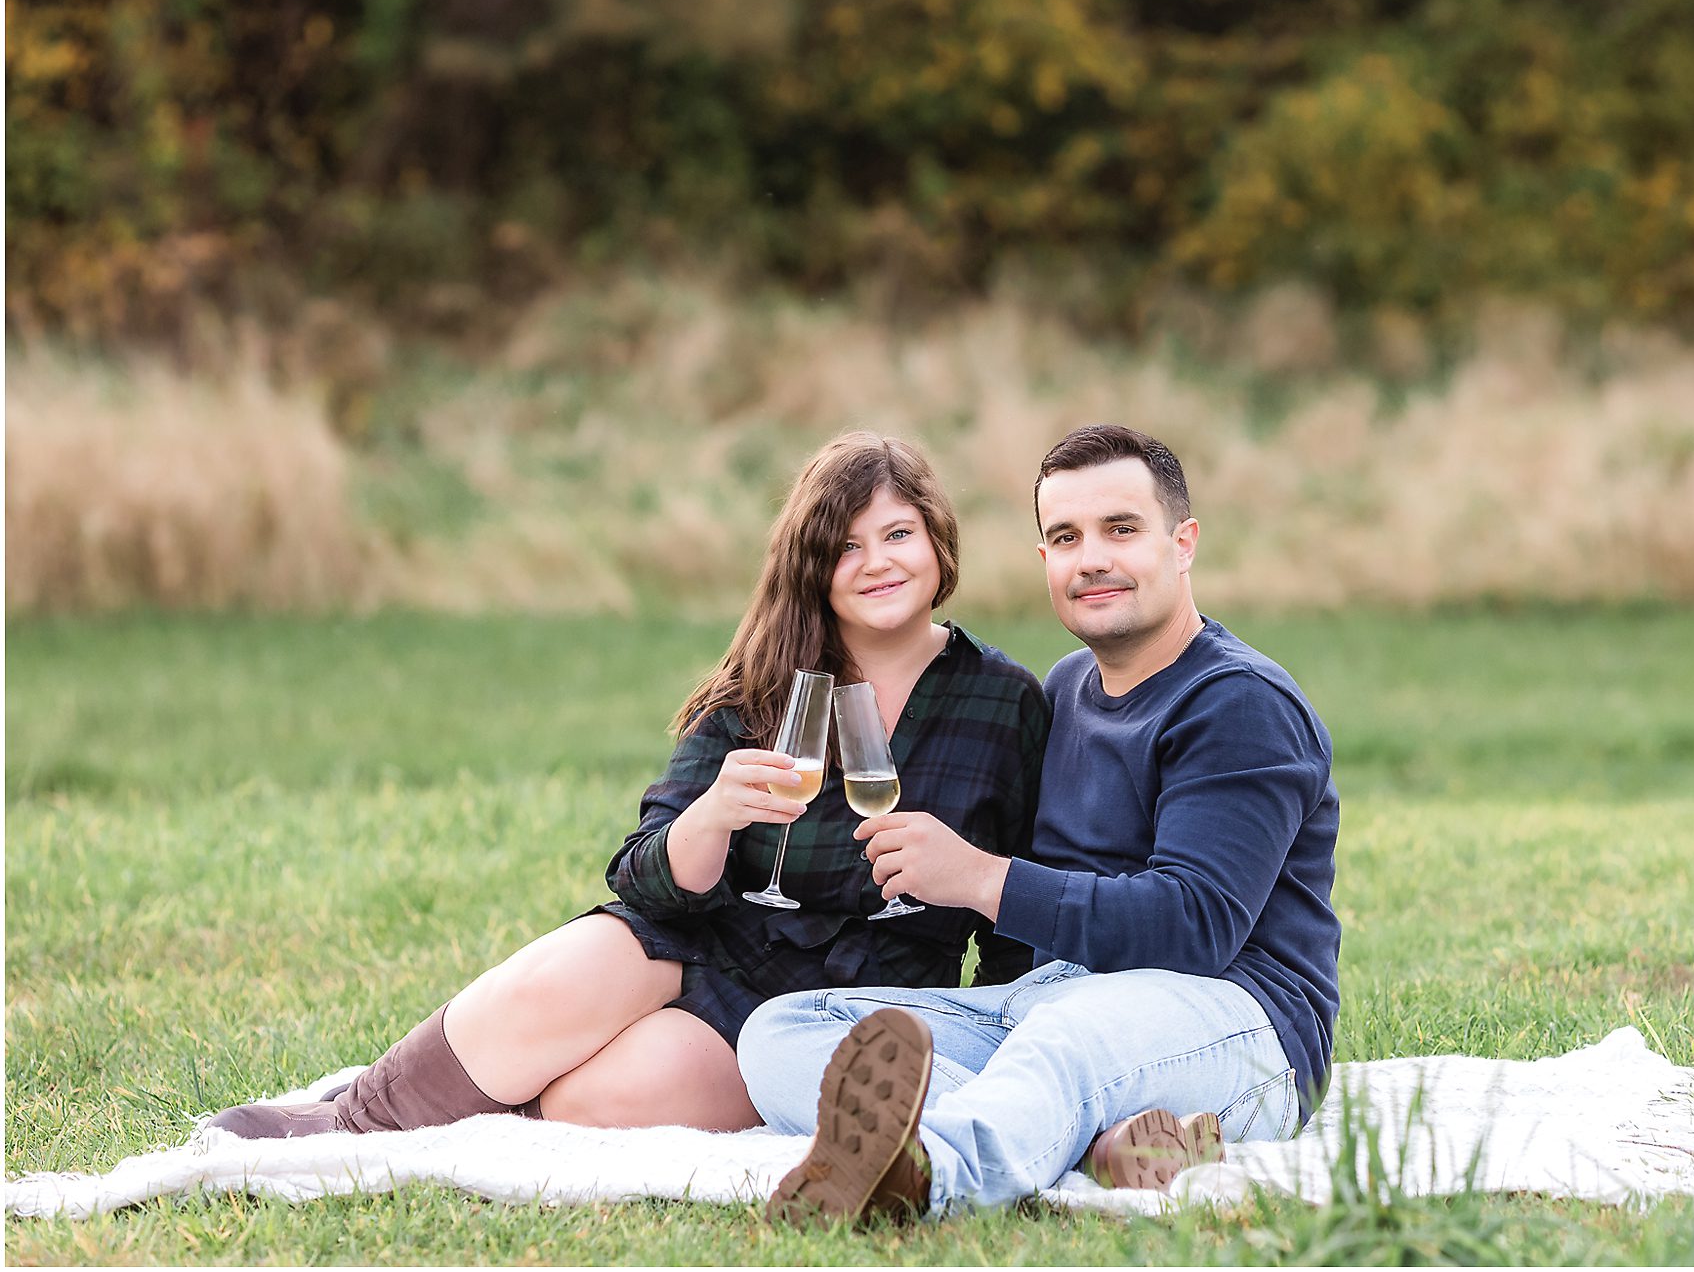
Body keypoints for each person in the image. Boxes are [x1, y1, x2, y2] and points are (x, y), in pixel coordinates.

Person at [207, 433, 1050, 1139]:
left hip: (843, 1002)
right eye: (847, 546)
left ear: (937, 541)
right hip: (715, 939)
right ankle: (353, 1125)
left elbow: (1014, 914)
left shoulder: (1005, 699)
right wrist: (716, 813)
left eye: (898, 535)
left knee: (591, 1101)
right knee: (557, 979)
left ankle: (488, 1111)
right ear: (813, 568)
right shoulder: (763, 684)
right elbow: (640, 869)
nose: (877, 563)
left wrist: (993, 1036)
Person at [737, 423, 1341, 1221]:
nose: (1092, 557)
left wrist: (982, 878)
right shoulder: (1068, 688)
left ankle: (922, 1179)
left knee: (1071, 1045)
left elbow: (1196, 926)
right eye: (1065, 536)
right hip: (1057, 999)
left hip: (1240, 1020)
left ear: (1183, 542)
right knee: (787, 1028)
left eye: (1121, 529)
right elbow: (1037, 936)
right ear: (1045, 560)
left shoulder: (1239, 704)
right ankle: (1090, 1136)